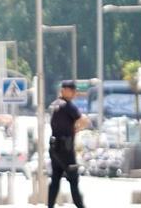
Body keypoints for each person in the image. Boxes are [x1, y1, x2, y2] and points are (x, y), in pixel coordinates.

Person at [48, 79, 90, 208]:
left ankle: (49, 206)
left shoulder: (54, 104)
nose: (74, 93)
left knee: (55, 180)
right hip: (66, 149)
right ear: (65, 91)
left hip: (55, 148)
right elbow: (84, 120)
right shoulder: (67, 106)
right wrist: (76, 128)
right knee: (73, 180)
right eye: (72, 91)